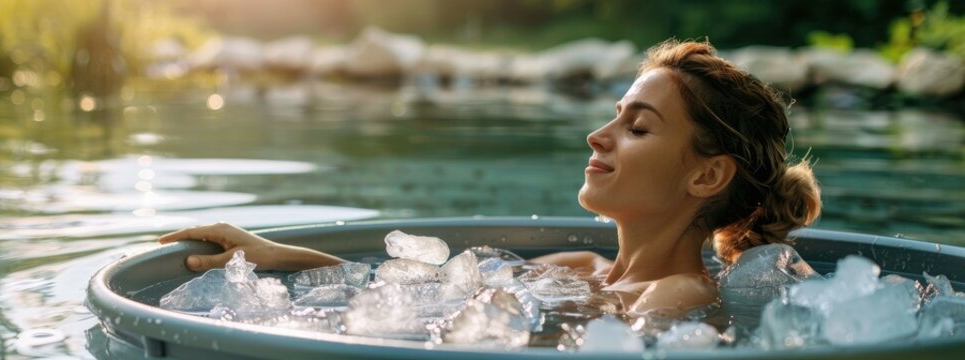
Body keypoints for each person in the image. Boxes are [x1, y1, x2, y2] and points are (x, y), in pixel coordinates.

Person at [158, 39, 822, 318]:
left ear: (706, 175)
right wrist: (272, 257)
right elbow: (396, 300)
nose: (597, 136)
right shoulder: (579, 267)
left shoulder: (677, 296)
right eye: (613, 117)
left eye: (637, 127)